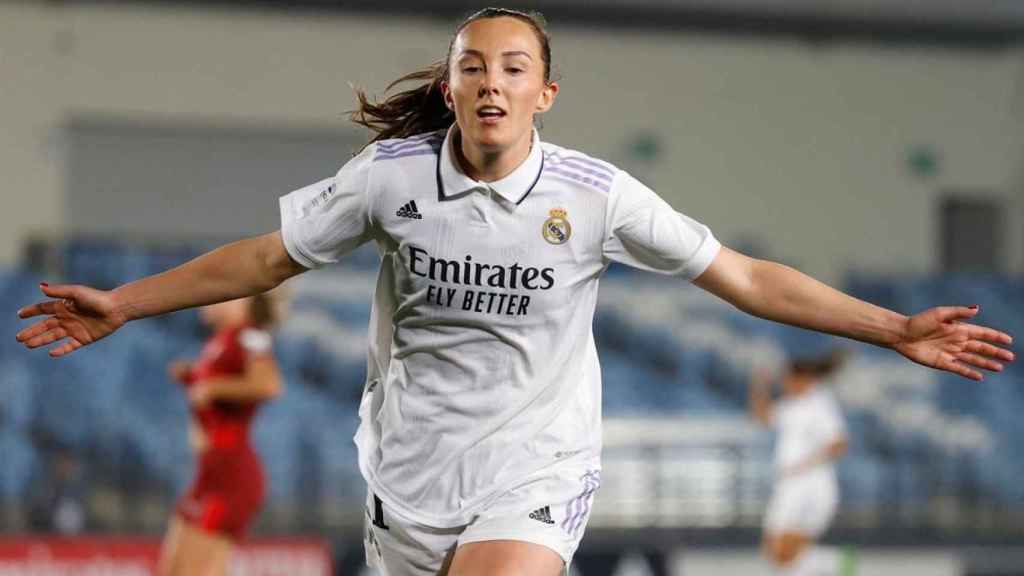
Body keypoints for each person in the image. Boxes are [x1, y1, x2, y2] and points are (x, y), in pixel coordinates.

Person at [14, 7, 1014, 576]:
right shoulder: (390, 178)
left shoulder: (596, 196)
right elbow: (265, 259)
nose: (491, 81)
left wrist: (891, 328)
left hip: (534, 467)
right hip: (405, 476)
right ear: (449, 88)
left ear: (545, 92)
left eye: (513, 66)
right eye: (472, 66)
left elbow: (745, 277)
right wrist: (127, 303)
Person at [158, 294, 283, 576]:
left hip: (231, 476)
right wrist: (191, 377)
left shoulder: (250, 334)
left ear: (244, 301)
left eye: (221, 295)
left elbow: (269, 384)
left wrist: (212, 387)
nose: (209, 299)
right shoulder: (221, 341)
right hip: (210, 474)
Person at [750, 350, 849, 576]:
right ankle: (836, 563)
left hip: (811, 485)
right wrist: (758, 386)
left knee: (781, 549)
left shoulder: (820, 403)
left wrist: (804, 465)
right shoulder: (791, 405)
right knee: (778, 552)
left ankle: (837, 563)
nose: (783, 382)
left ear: (801, 378)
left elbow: (839, 443)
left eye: (787, 377)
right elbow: (763, 418)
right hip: (790, 483)